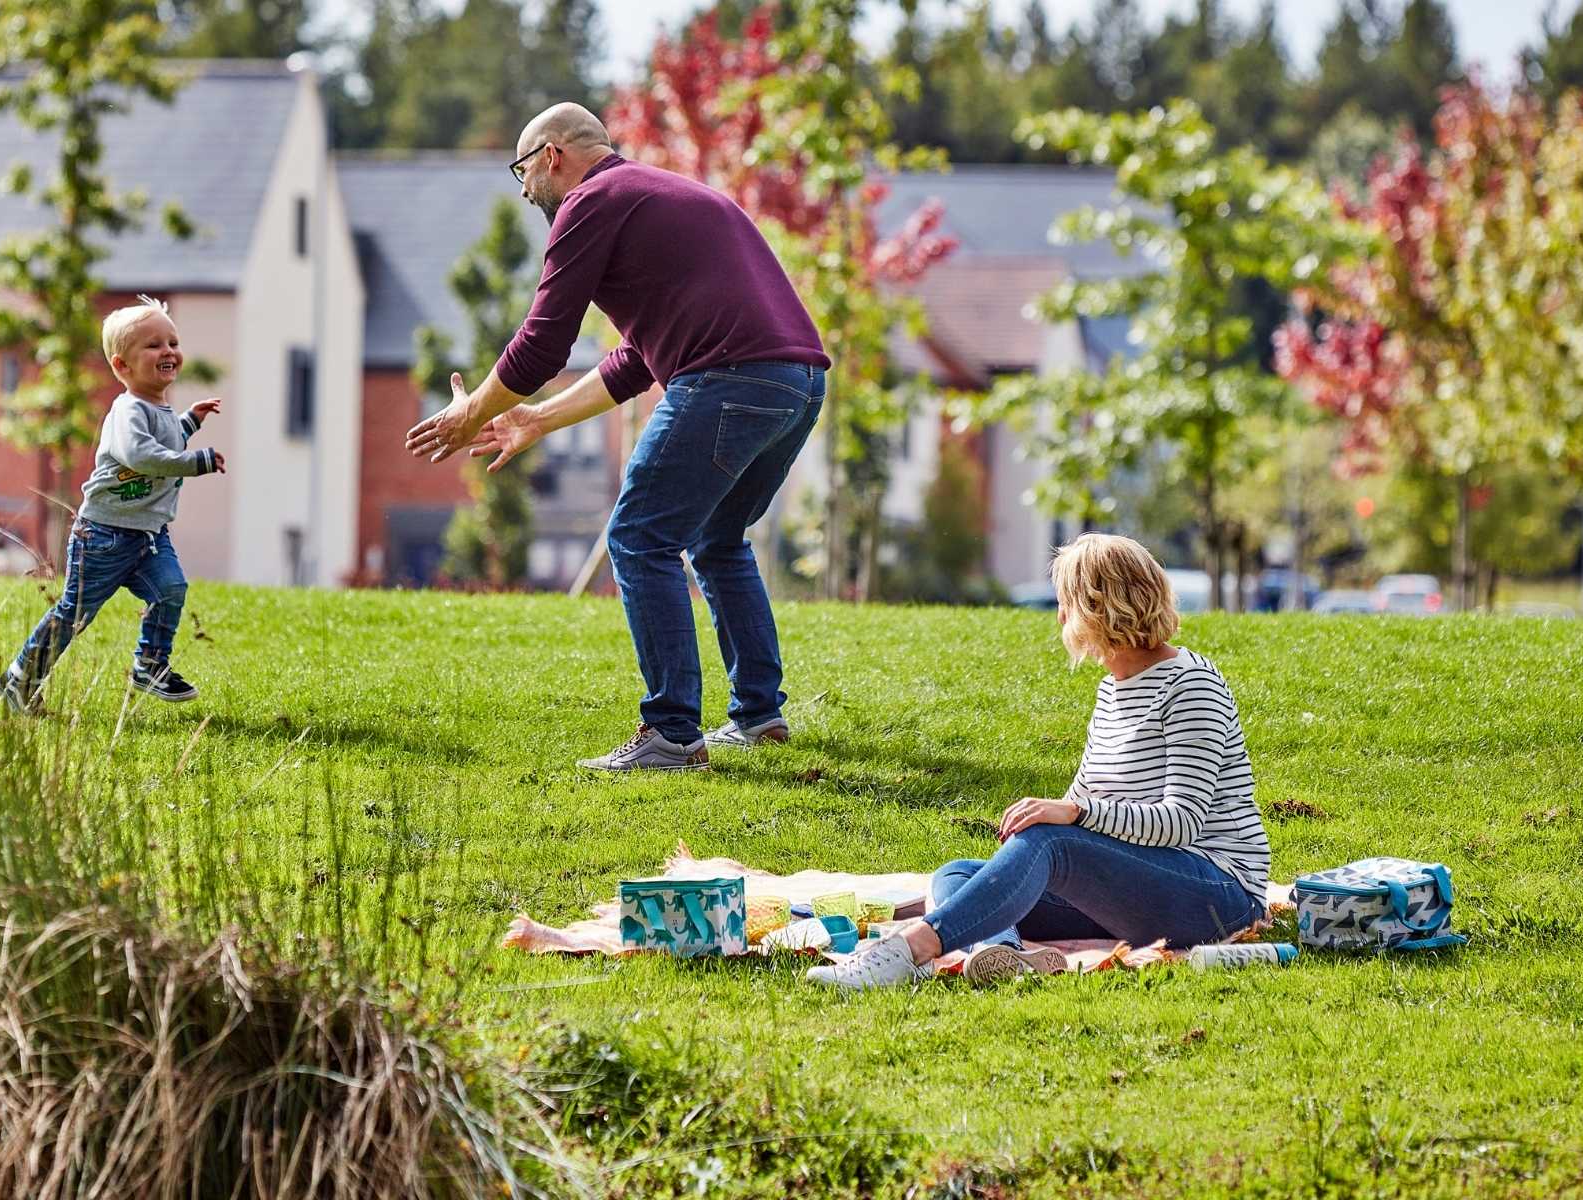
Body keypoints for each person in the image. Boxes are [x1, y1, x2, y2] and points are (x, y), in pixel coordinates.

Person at [405, 102, 831, 772]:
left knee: (639, 535)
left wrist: (471, 413)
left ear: (552, 155)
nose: (524, 193)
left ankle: (670, 734)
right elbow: (636, 359)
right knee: (715, 540)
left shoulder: (593, 200)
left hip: (731, 379)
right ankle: (758, 715)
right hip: (798, 383)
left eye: (523, 173)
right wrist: (537, 418)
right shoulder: (663, 196)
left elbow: (542, 344)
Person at [807, 534, 1271, 990]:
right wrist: (1028, 844)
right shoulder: (1113, 689)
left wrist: (1071, 816)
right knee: (960, 874)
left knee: (1052, 842)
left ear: (1095, 606)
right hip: (1141, 891)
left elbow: (1181, 823)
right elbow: (1084, 801)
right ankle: (1002, 954)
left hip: (1217, 895)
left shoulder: (1191, 685)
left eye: (1064, 601)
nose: (1060, 615)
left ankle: (908, 952)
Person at [0, 296, 225, 714]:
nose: (168, 351)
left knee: (171, 588)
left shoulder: (160, 409)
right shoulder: (128, 412)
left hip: (149, 535)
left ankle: (150, 665)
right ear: (122, 366)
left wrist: (190, 421)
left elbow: (167, 438)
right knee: (74, 614)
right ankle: (20, 678)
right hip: (103, 536)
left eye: (172, 341)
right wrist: (197, 463)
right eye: (153, 345)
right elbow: (143, 456)